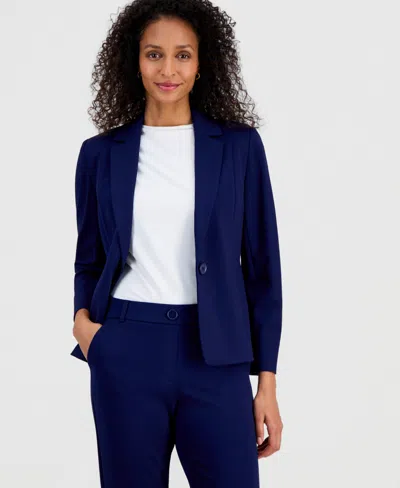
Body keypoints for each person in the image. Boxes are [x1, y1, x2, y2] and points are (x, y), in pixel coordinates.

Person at [71, 0, 283, 486]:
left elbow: (262, 270)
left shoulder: (239, 147)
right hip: (126, 348)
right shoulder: (100, 154)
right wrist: (87, 330)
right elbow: (89, 259)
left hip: (217, 358)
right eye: (154, 54)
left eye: (183, 55)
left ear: (202, 62)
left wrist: (266, 381)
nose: (168, 69)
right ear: (134, 60)